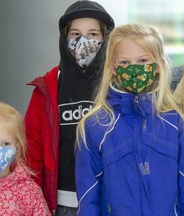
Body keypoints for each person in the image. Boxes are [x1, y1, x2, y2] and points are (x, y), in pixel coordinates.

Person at [75, 24, 184, 215]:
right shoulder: (95, 126)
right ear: (112, 67)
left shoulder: (176, 122)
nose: (134, 68)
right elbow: (88, 197)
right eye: (125, 62)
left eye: (143, 60)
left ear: (159, 65)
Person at [24, 1, 115, 215]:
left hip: (108, 202)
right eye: (75, 34)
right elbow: (31, 155)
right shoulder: (46, 89)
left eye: (93, 34)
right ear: (65, 39)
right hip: (62, 205)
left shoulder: (116, 84)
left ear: (105, 38)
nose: (84, 41)